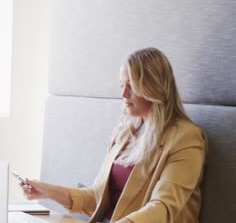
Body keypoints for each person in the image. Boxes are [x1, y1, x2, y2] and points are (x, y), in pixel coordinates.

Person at [20, 48, 207, 223]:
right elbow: (97, 198)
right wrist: (47, 191)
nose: (124, 94)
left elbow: (163, 208)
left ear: (154, 87)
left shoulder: (186, 139)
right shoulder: (125, 131)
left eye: (131, 86)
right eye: (121, 85)